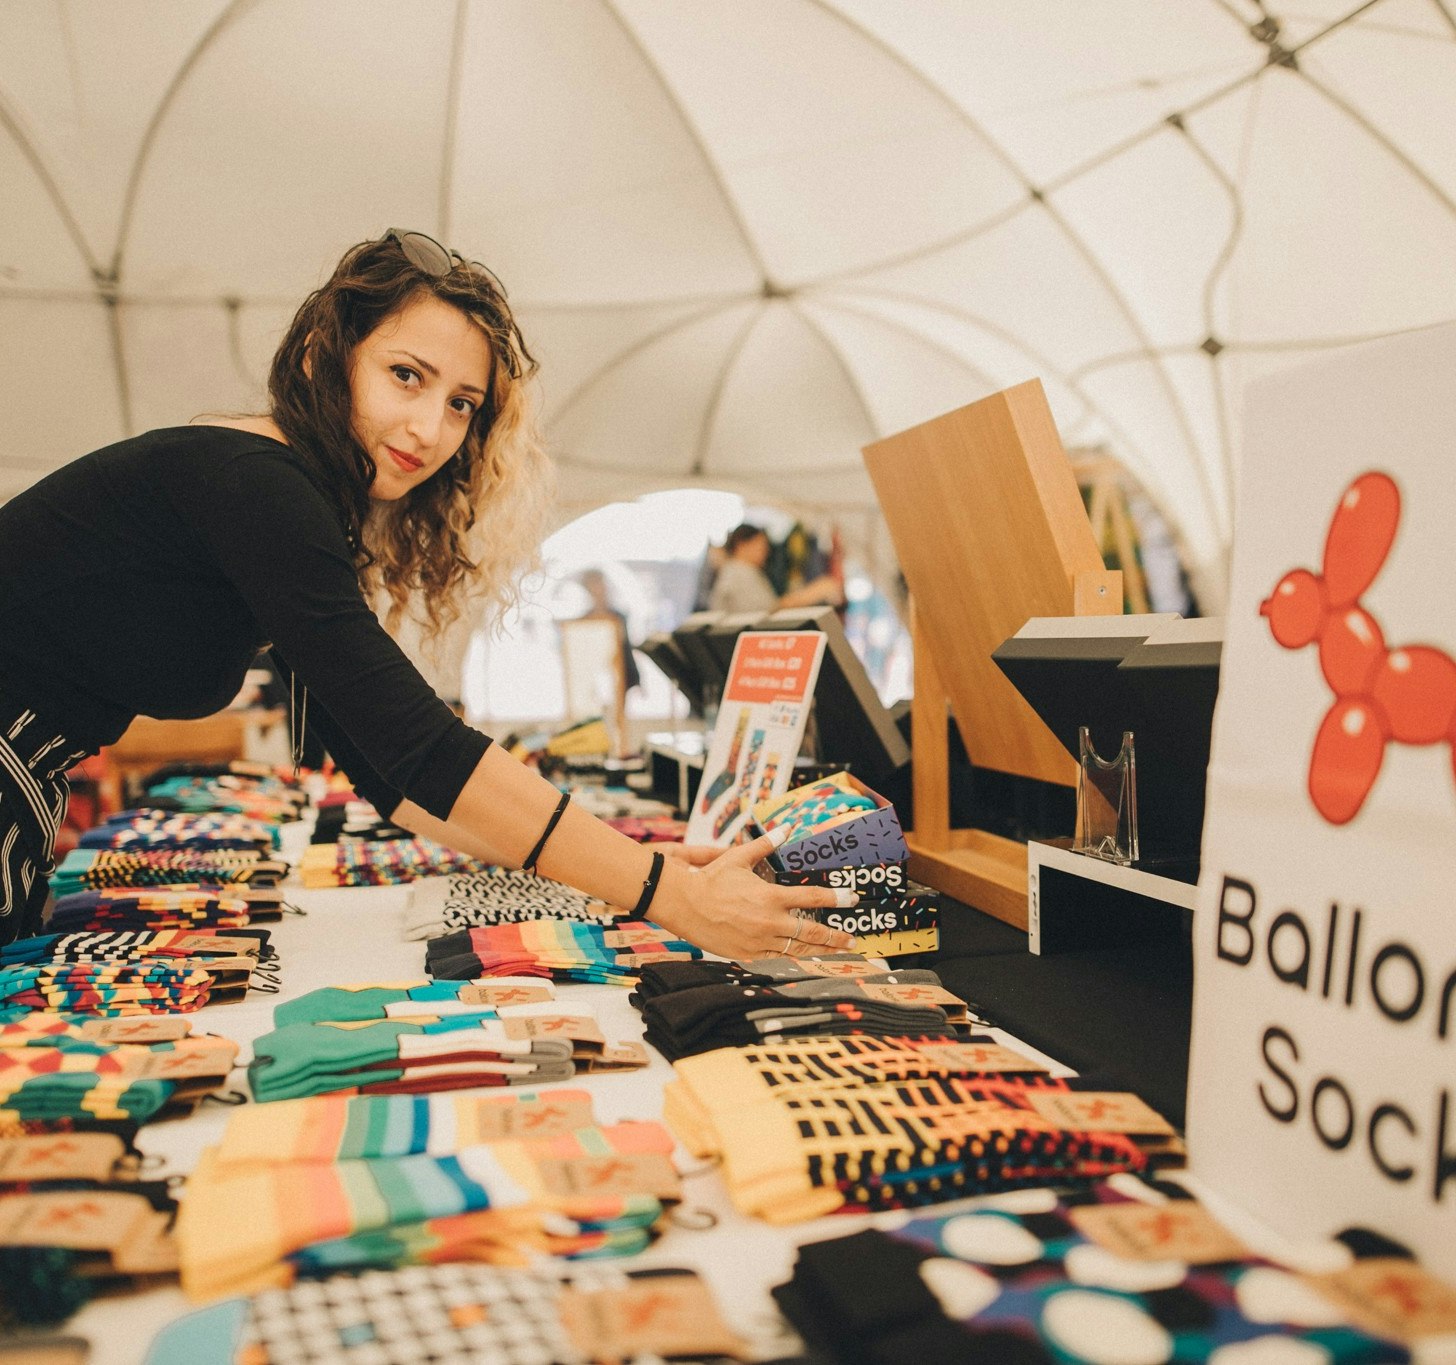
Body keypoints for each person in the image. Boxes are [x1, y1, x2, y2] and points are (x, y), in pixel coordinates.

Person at [0, 230, 857, 958]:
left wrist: (646, 862)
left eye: (461, 405)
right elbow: (416, 746)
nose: (430, 430)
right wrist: (667, 894)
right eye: (406, 375)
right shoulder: (255, 482)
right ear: (321, 354)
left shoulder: (279, 496)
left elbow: (392, 777)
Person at [708, 523, 843, 615]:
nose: (765, 553)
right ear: (742, 545)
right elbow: (768, 610)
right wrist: (813, 593)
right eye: (760, 546)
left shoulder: (734, 571)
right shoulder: (740, 572)